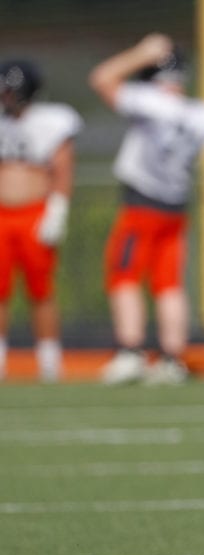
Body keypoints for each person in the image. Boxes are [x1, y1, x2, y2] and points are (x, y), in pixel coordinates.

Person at [89, 34, 204, 385]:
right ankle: (171, 358)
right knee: (169, 284)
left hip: (141, 203)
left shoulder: (149, 101)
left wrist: (140, 53)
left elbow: (101, 78)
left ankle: (130, 352)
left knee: (124, 276)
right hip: (175, 205)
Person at [0, 59, 82, 383]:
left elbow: (62, 168)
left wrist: (57, 211)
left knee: (41, 289)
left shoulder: (52, 121)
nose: (6, 97)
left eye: (11, 91)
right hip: (2, 216)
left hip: (34, 213)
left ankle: (49, 360)